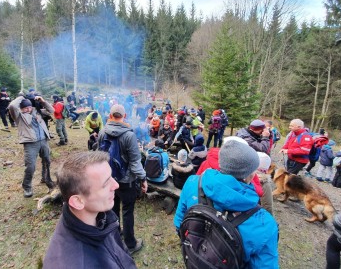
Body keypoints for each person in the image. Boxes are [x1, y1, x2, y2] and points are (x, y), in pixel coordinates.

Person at [174, 139, 279, 268]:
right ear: (249, 175)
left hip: (194, 256)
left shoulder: (193, 182)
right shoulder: (264, 222)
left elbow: (179, 221)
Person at [43, 151, 136, 268]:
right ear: (78, 202)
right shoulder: (73, 264)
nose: (116, 185)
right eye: (106, 183)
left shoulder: (102, 215)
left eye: (111, 176)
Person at [97, 104, 148, 254]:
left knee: (112, 209)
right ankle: (130, 244)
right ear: (124, 116)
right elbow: (135, 162)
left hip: (108, 178)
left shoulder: (102, 132)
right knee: (127, 211)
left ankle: (116, 234)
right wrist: (143, 179)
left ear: (111, 115)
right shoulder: (129, 135)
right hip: (126, 181)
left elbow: (98, 156)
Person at [9, 95, 55, 197]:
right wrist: (21, 97)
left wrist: (43, 101)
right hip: (30, 143)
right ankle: (27, 187)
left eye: (29, 107)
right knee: (30, 166)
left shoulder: (36, 111)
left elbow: (51, 110)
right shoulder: (18, 115)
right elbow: (12, 106)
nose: (28, 109)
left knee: (47, 161)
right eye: (25, 108)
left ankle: (45, 178)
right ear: (21, 108)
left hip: (43, 141)